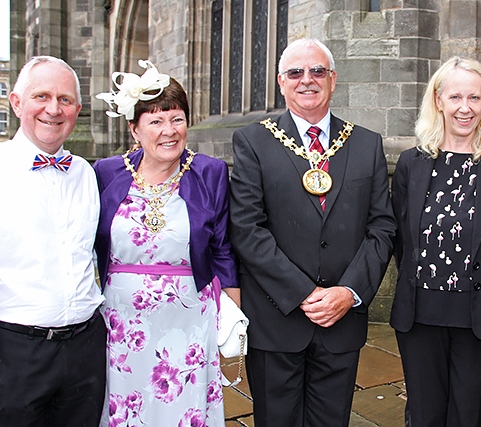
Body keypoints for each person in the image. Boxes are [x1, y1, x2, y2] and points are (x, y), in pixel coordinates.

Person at [229, 38, 396, 426]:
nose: (308, 80)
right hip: (276, 319)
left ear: (333, 79)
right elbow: (247, 228)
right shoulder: (253, 141)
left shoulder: (366, 144)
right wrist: (304, 293)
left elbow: (382, 227)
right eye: (296, 72)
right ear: (280, 82)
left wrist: (348, 292)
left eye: (318, 71)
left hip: (341, 320)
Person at [94, 60, 238, 426]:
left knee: (182, 408)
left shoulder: (210, 172)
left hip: (189, 318)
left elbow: (222, 247)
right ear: (134, 128)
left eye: (177, 119)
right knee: (124, 407)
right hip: (122, 321)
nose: (169, 131)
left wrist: (233, 318)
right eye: (156, 121)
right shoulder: (106, 173)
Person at [391, 56, 481, 427]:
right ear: (438, 100)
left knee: (467, 415)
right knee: (425, 415)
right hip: (420, 317)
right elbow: (403, 239)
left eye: (474, 98)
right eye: (455, 98)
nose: (465, 108)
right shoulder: (410, 164)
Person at [0, 56, 107, 426]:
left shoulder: (85, 174)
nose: (53, 109)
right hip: (15, 352)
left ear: (77, 110)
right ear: (16, 103)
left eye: (64, 100)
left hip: (86, 348)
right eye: (41, 96)